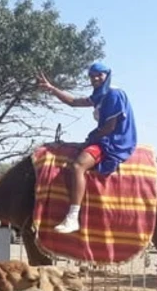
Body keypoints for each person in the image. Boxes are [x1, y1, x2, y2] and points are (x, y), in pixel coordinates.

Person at [37, 62, 138, 234]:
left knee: (78, 166)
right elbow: (74, 102)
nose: (95, 79)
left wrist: (89, 139)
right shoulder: (100, 95)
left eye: (99, 75)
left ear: (107, 75)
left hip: (114, 140)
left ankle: (73, 217)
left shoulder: (113, 94)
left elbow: (109, 128)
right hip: (104, 136)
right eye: (92, 76)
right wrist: (52, 88)